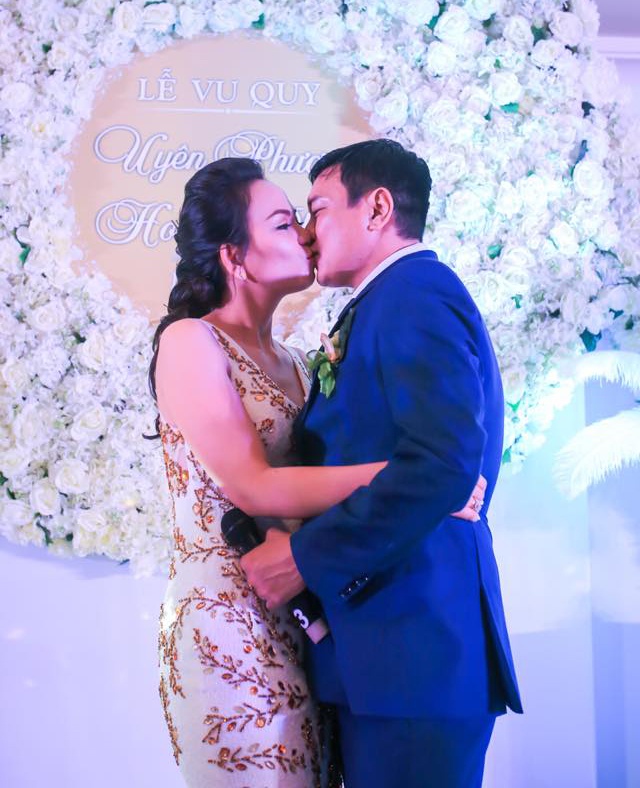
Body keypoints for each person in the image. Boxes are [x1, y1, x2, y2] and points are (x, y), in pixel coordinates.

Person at [150, 157, 485, 788]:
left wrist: (422, 479)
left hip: (311, 616)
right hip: (231, 617)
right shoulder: (190, 341)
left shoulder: (300, 363)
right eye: (285, 223)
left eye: (307, 217)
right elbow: (253, 487)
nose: (305, 234)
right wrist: (418, 477)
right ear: (234, 256)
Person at [241, 139, 523, 788]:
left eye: (318, 210)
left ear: (376, 209)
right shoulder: (388, 300)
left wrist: (305, 557)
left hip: (415, 653)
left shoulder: (415, 296)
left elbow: (443, 463)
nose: (307, 232)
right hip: (385, 656)